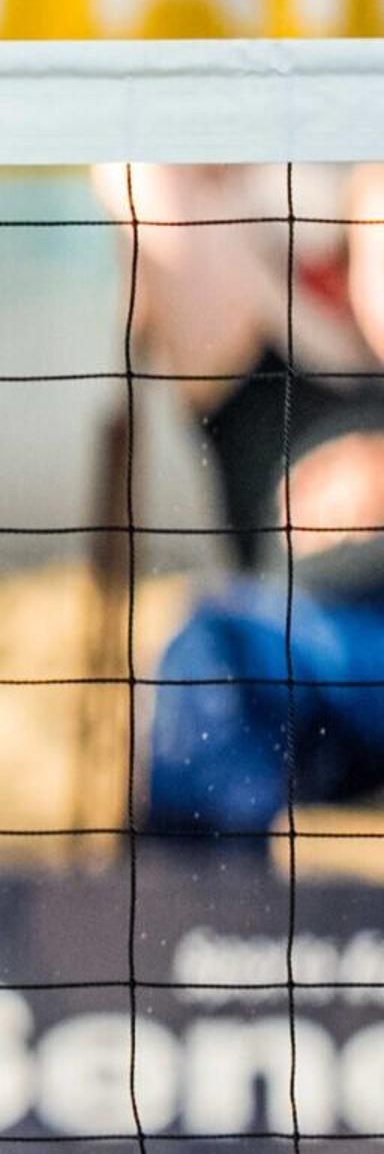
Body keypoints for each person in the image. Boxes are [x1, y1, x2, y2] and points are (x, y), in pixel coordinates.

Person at [103, 162, 384, 842]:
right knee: (206, 653)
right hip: (312, 659)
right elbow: (138, 174)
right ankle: (199, 935)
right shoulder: (244, 350)